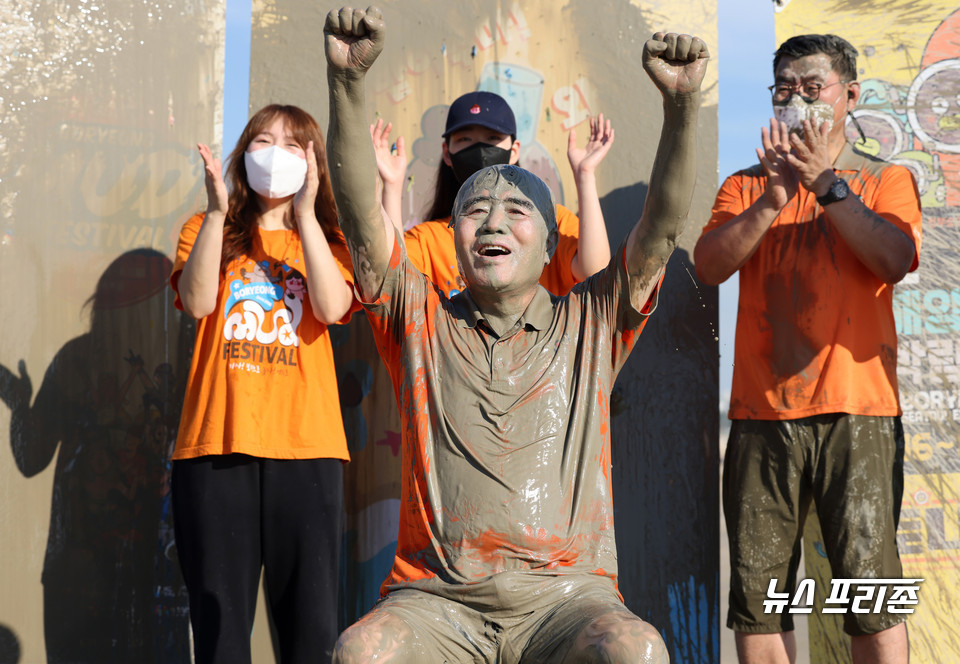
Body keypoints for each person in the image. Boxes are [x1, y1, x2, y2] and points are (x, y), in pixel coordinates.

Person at [324, 6, 707, 663]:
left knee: (635, 650)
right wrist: (348, 86)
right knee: (363, 653)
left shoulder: (590, 322)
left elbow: (662, 230)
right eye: (474, 209)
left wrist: (681, 108)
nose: (493, 222)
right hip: (437, 601)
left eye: (515, 210)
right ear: (455, 233)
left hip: (568, 599)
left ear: (548, 236)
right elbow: (363, 226)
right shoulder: (418, 318)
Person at [693, 34, 922, 664]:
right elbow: (708, 267)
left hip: (860, 413)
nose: (796, 100)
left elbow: (895, 257)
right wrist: (772, 199)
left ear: (849, 96)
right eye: (784, 88)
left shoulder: (885, 179)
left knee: (871, 596)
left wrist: (825, 183)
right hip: (761, 418)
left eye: (811, 86)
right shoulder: (745, 185)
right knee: (760, 599)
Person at [169, 104, 357, 664]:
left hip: (308, 451)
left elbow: (331, 305)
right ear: (241, 153)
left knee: (311, 635)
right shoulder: (207, 229)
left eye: (295, 145)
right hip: (215, 449)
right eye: (263, 140)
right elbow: (198, 301)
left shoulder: (328, 239)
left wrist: (305, 217)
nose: (276, 153)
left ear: (314, 163)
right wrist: (214, 211)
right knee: (220, 634)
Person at [370, 99, 614, 296]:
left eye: (492, 139)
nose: (480, 149)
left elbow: (595, 271)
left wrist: (585, 175)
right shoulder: (429, 239)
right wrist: (390, 185)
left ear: (514, 150)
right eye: (465, 140)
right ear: (447, 153)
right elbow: (391, 283)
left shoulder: (549, 218)